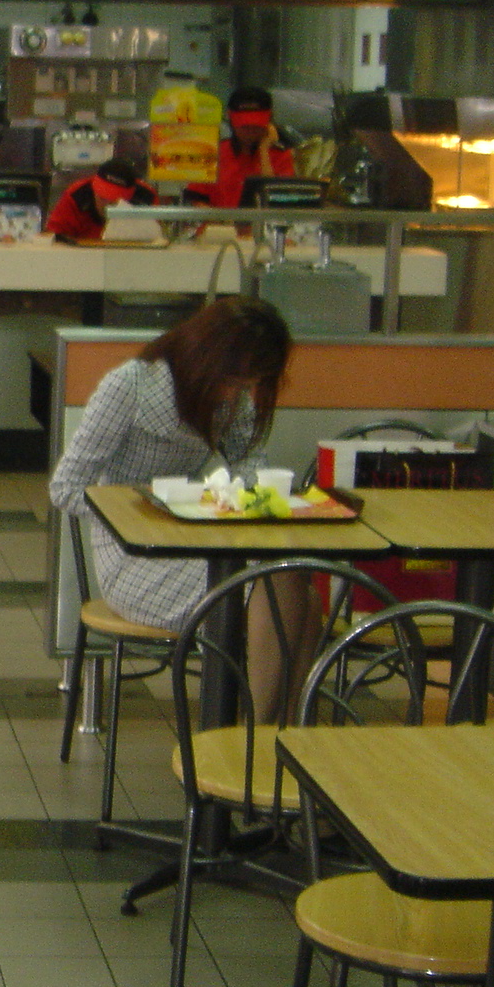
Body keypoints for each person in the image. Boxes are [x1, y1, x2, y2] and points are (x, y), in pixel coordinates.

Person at [48, 296, 315, 707]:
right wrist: (145, 509)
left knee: (301, 591)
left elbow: (248, 461)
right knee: (276, 583)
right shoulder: (130, 386)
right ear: (207, 357)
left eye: (249, 386)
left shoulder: (231, 398)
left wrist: (250, 495)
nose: (237, 395)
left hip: (193, 540)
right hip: (132, 557)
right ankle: (260, 731)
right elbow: (65, 487)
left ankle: (283, 726)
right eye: (234, 381)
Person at [187, 86, 295, 209]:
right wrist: (219, 218)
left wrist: (264, 151)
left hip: (262, 221)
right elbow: (197, 199)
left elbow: (276, 200)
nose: (250, 131)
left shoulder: (281, 155)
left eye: (256, 126)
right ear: (230, 119)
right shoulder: (213, 152)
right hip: (218, 220)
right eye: (244, 126)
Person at [47, 157, 157, 243]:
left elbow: (157, 241)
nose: (107, 205)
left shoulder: (147, 199)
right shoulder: (76, 196)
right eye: (102, 197)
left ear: (129, 197)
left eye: (114, 200)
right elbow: (52, 238)